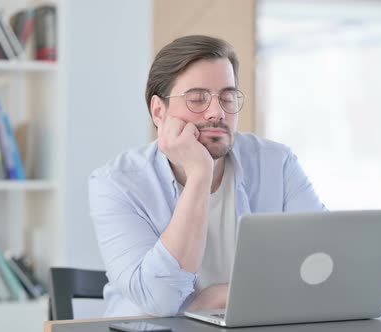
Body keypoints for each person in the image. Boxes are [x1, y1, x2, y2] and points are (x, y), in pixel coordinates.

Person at [89, 35, 325, 318]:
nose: (217, 112)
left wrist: (215, 297)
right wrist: (200, 173)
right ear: (158, 111)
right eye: (197, 99)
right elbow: (159, 301)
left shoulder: (278, 163)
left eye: (227, 97)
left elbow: (322, 268)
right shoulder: (116, 183)